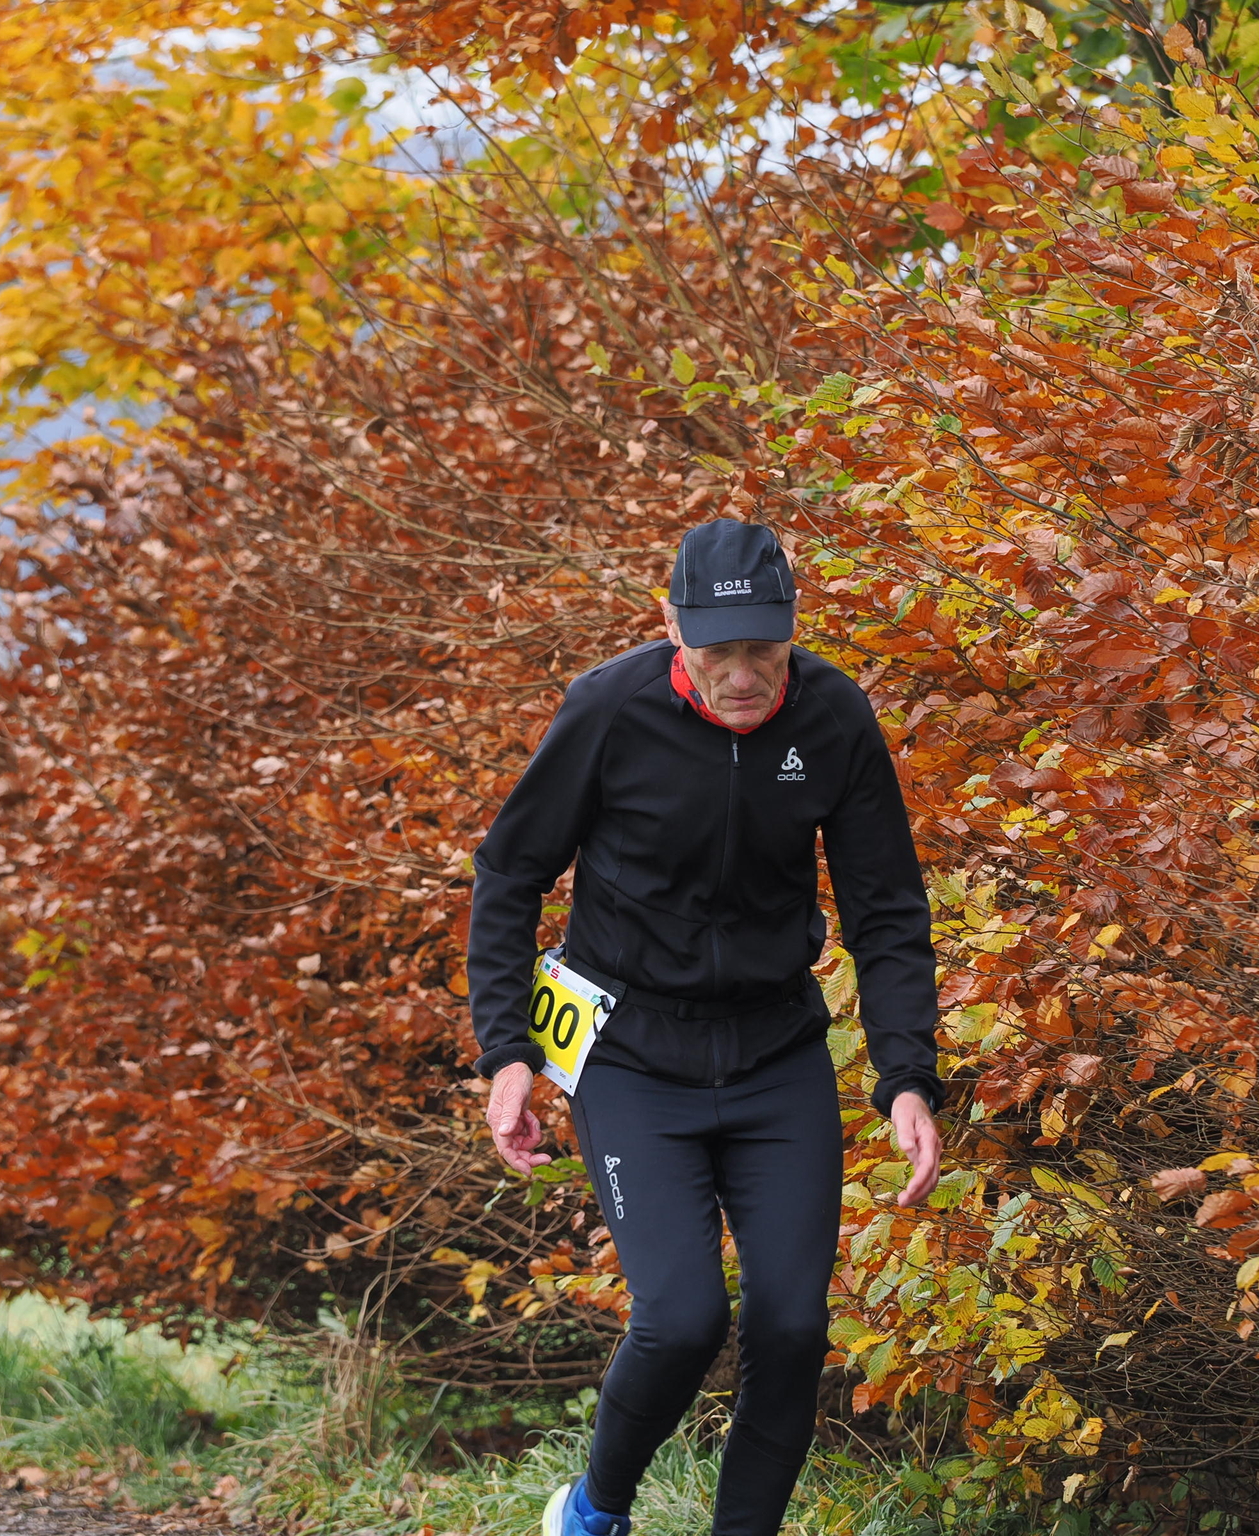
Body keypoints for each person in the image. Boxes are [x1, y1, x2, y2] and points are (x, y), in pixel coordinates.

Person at [466, 518, 943, 1536]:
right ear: (671, 625)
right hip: (632, 1054)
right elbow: (510, 873)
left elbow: (887, 911)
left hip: (774, 1052)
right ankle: (592, 1511)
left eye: (763, 649)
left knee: (792, 1326)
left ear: (793, 628)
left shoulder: (832, 716)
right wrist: (507, 1053)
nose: (741, 675)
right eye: (717, 650)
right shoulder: (609, 709)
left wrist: (906, 1074)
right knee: (682, 1318)